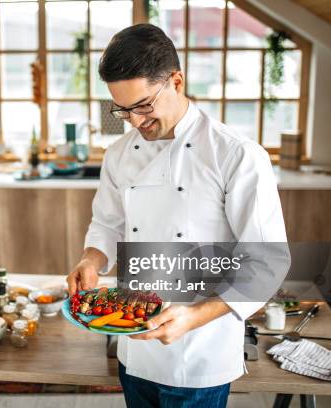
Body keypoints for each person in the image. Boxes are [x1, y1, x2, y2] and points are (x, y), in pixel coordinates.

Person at [66, 24, 288, 407]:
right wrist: (91, 258)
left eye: (143, 105)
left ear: (177, 81)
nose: (134, 121)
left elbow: (266, 260)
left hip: (199, 351)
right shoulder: (119, 154)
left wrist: (195, 316)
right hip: (134, 348)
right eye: (122, 109)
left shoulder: (235, 155)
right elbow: (107, 222)